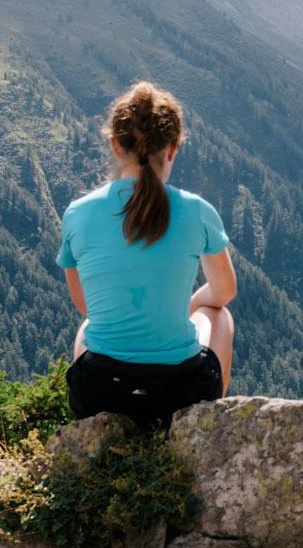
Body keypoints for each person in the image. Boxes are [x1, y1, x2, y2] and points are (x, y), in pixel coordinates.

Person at [56, 81, 237, 428]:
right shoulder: (197, 210)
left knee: (87, 328)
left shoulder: (77, 213)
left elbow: (86, 306)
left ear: (113, 143)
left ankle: (98, 429)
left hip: (98, 393)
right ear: (173, 149)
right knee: (219, 316)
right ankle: (201, 428)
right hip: (181, 391)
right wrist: (193, 306)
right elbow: (224, 292)